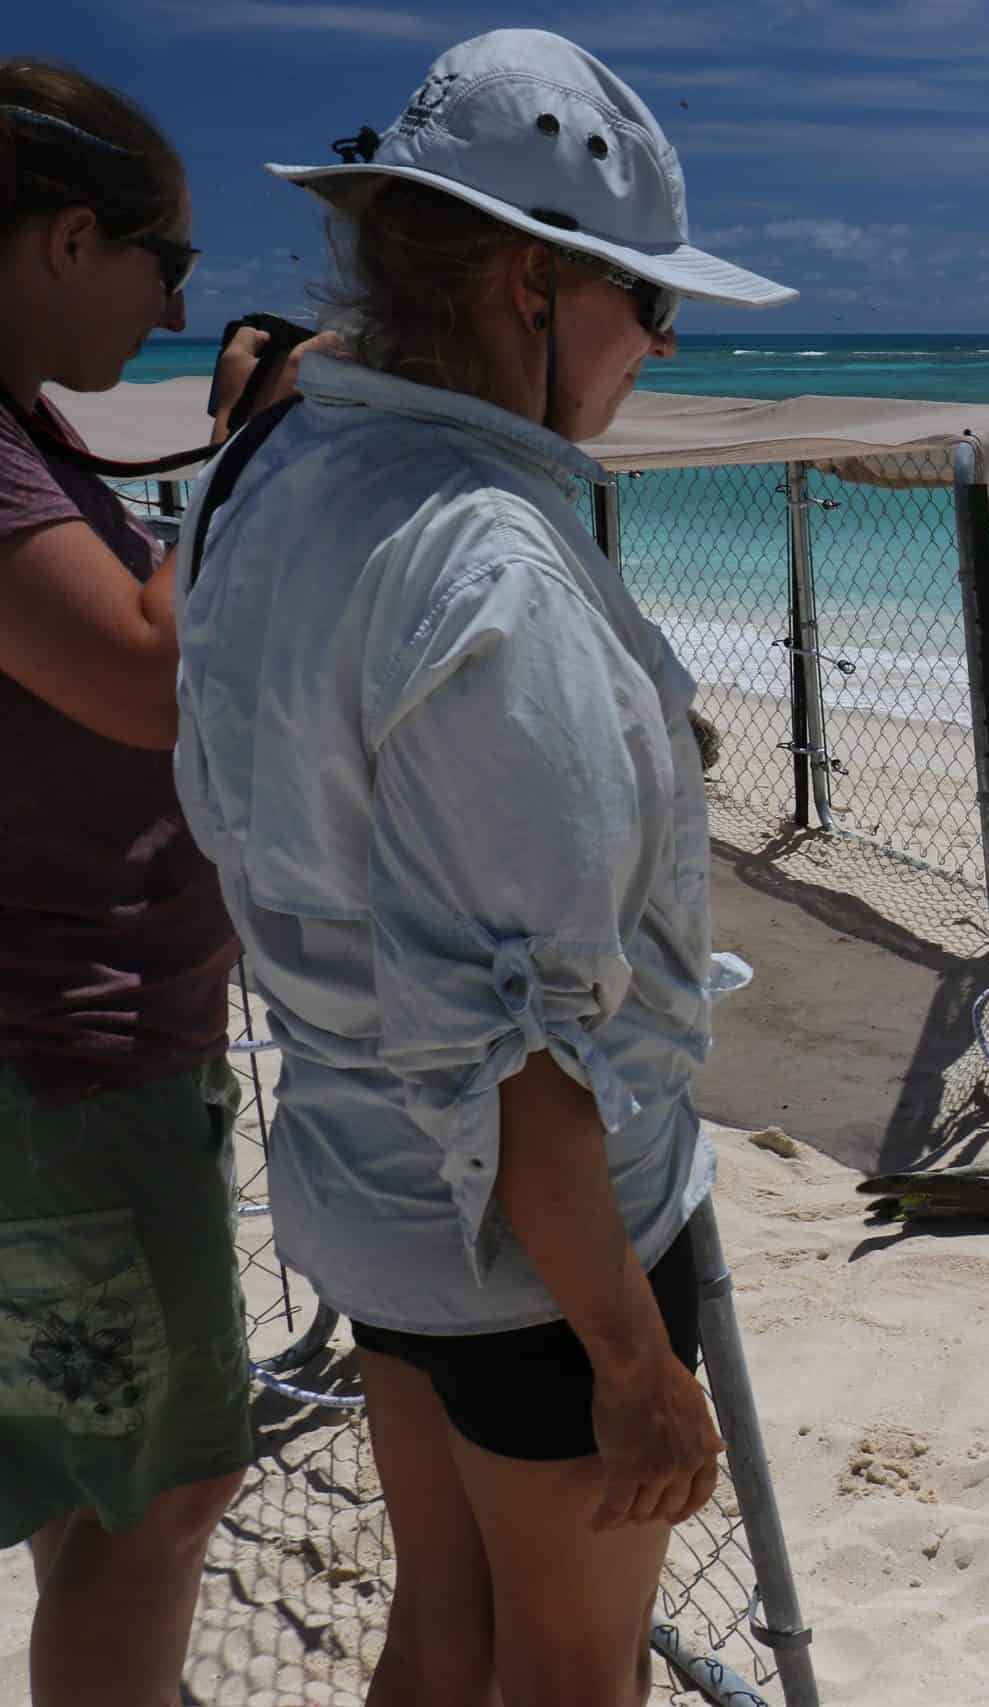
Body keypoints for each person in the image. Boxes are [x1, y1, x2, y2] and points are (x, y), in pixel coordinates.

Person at [171, 30, 793, 1705]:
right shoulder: (492, 569)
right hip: (532, 1255)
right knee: (577, 1678)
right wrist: (633, 1359)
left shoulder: (278, 476)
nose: (657, 347)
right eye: (643, 305)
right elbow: (523, 1049)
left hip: (369, 1195)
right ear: (531, 285)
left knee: (441, 1635)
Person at [0, 61, 327, 1707]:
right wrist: (245, 454)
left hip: (76, 1054)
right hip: (68, 1066)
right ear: (67, 241)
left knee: (90, 1474)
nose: (179, 304)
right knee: (175, 1488)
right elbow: (144, 671)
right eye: (165, 265)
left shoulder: (25, 428)